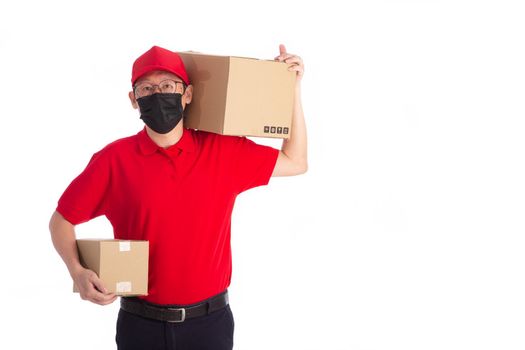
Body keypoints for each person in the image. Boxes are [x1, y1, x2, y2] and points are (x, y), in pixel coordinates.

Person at [49, 44, 307, 350]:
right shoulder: (112, 161)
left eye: (168, 85)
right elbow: (61, 220)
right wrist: (77, 271)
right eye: (146, 88)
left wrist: (292, 89)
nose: (158, 94)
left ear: (187, 94)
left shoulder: (223, 151)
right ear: (134, 100)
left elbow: (296, 161)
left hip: (210, 325)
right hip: (139, 325)